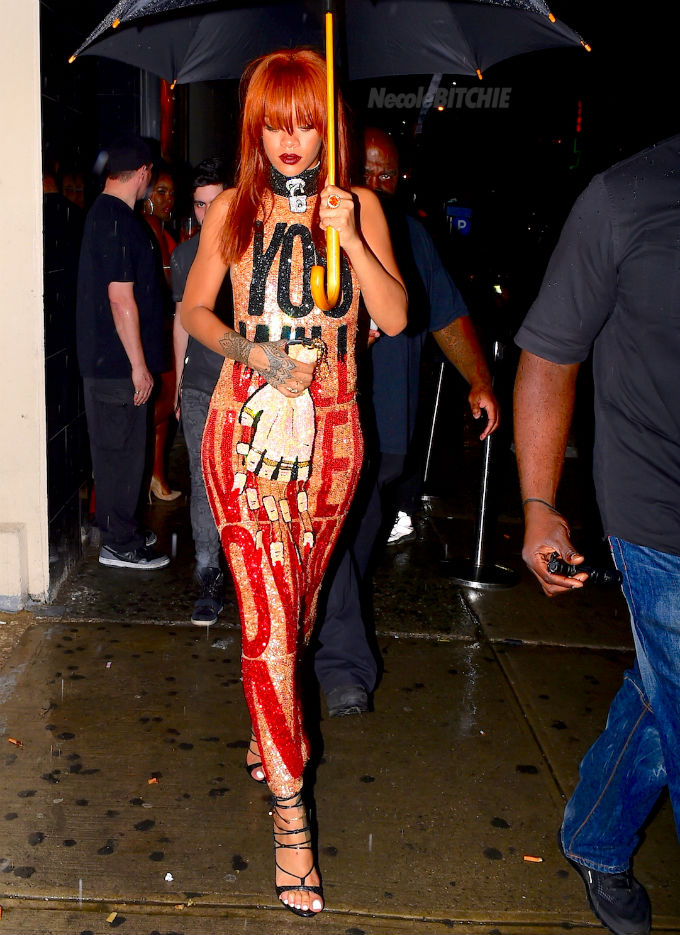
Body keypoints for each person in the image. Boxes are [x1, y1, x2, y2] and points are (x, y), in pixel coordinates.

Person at [180, 49, 406, 917]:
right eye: (275, 123)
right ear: (255, 127)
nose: (289, 139)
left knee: (301, 610)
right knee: (269, 626)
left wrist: (351, 236)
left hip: (336, 438)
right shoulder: (234, 209)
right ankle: (290, 815)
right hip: (245, 432)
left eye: (305, 122)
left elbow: (395, 317)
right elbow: (194, 310)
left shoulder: (360, 207)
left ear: (328, 128)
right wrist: (254, 353)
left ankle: (265, 726)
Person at [513, 133, 680, 935]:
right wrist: (538, 503)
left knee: (662, 688)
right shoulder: (627, 198)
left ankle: (597, 832)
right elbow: (550, 356)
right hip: (660, 514)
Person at [314, 127, 499, 718]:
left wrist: (479, 378)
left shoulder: (411, 234)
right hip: (323, 422)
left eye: (387, 174)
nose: (375, 183)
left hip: (388, 428)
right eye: (364, 171)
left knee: (351, 548)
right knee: (336, 546)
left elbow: (446, 315)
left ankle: (320, 643)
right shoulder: (315, 225)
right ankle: (343, 669)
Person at [76, 135, 170, 570]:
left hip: (111, 363)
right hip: (116, 366)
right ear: (144, 172)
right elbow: (120, 299)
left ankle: (121, 528)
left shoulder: (108, 215)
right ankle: (119, 543)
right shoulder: (113, 219)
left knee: (123, 451)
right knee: (121, 455)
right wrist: (138, 365)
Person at [171, 156, 232, 626]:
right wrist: (178, 384)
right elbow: (181, 322)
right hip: (198, 386)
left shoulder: (254, 250)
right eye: (199, 205)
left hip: (248, 386)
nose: (208, 214)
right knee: (202, 479)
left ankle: (247, 571)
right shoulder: (185, 255)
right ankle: (208, 573)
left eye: (216, 203)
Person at [142, 163, 182, 502]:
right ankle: (149, 477)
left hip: (158, 324)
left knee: (161, 409)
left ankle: (156, 477)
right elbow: (168, 281)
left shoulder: (154, 226)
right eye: (161, 192)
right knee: (163, 404)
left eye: (171, 193)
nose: (168, 200)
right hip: (162, 325)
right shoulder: (151, 224)